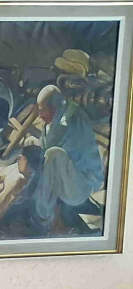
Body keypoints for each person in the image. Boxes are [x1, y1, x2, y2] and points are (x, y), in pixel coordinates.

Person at [35, 84, 106, 232]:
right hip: (62, 183)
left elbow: (76, 154)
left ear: (55, 106)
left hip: (79, 187)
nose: (40, 115)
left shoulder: (74, 118)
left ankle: (45, 213)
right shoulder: (49, 124)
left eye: (43, 110)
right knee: (32, 144)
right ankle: (40, 207)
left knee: (54, 153)